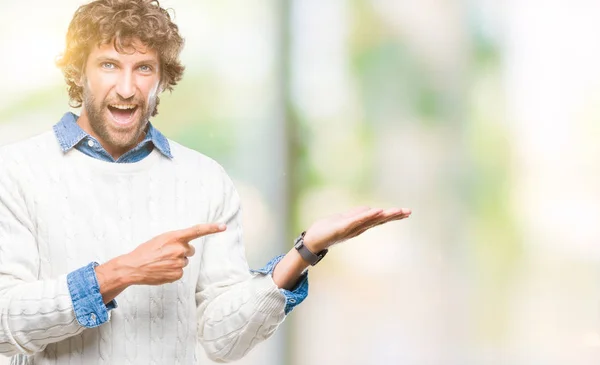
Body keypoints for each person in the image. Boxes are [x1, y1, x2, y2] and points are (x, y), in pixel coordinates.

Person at [0, 0, 411, 364]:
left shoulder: (203, 179)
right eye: (109, 65)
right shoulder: (18, 171)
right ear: (80, 72)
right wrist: (121, 272)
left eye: (143, 68)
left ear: (162, 79)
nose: (127, 88)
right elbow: (3, 326)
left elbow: (222, 340)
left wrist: (305, 251)